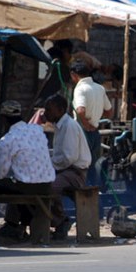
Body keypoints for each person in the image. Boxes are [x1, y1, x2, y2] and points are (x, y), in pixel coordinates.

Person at [0, 100, 55, 239]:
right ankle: (16, 225)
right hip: (47, 185)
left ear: (3, 119)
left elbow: (0, 174)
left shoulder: (7, 140)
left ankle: (9, 226)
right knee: (17, 181)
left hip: (26, 187)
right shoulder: (37, 130)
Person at [44, 94, 91, 240]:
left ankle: (61, 221)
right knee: (37, 185)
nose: (46, 113)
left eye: (49, 110)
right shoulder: (59, 126)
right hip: (66, 169)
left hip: (75, 172)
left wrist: (49, 165)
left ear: (60, 110)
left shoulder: (68, 126)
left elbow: (68, 158)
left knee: (50, 187)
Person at [70, 61, 112, 186]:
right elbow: (109, 111)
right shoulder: (99, 88)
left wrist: (86, 125)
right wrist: (96, 119)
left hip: (83, 132)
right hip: (95, 132)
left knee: (80, 165)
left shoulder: (80, 88)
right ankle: (93, 194)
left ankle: (81, 192)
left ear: (73, 75)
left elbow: (80, 110)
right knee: (93, 165)